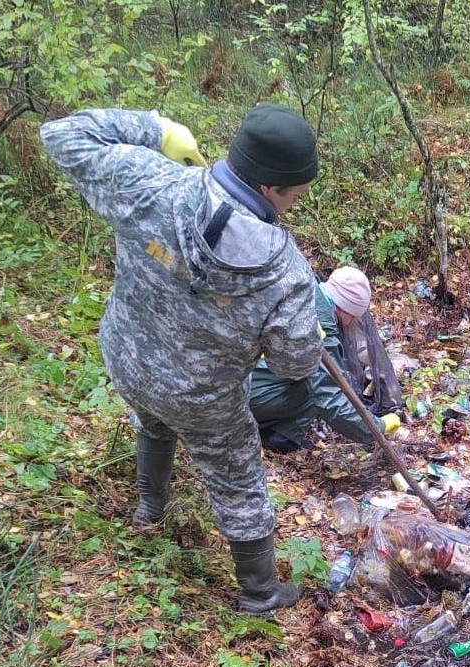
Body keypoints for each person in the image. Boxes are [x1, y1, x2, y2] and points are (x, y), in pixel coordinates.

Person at [41, 103, 324, 615]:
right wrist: (307, 333)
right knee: (238, 480)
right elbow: (295, 365)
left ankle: (150, 509)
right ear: (270, 189)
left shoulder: (152, 182)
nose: (296, 203)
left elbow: (64, 133)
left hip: (128, 361)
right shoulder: (286, 274)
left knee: (152, 421)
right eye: (296, 193)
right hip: (203, 399)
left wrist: (155, 131)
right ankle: (260, 594)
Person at [249, 266, 401, 453]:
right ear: (341, 308)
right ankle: (281, 435)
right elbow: (330, 397)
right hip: (245, 393)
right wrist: (377, 428)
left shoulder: (303, 291)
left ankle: (281, 431)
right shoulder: (319, 330)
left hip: (235, 378)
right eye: (352, 316)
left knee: (314, 379)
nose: (350, 322)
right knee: (318, 386)